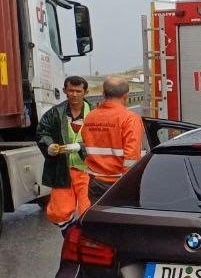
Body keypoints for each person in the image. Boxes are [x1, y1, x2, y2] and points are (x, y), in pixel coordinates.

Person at [36, 76, 93, 231]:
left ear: (85, 92)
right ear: (64, 91)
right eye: (70, 90)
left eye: (78, 91)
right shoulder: (55, 113)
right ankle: (70, 233)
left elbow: (103, 139)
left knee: (88, 211)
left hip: (88, 170)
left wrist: (80, 147)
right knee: (58, 212)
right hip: (62, 169)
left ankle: (84, 239)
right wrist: (49, 146)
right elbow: (43, 132)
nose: (74, 94)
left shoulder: (95, 114)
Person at [81, 76, 146, 203]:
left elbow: (86, 145)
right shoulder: (129, 118)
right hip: (118, 183)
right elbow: (131, 156)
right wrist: (129, 183)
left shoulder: (90, 117)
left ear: (103, 94)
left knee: (99, 220)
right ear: (126, 95)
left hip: (95, 183)